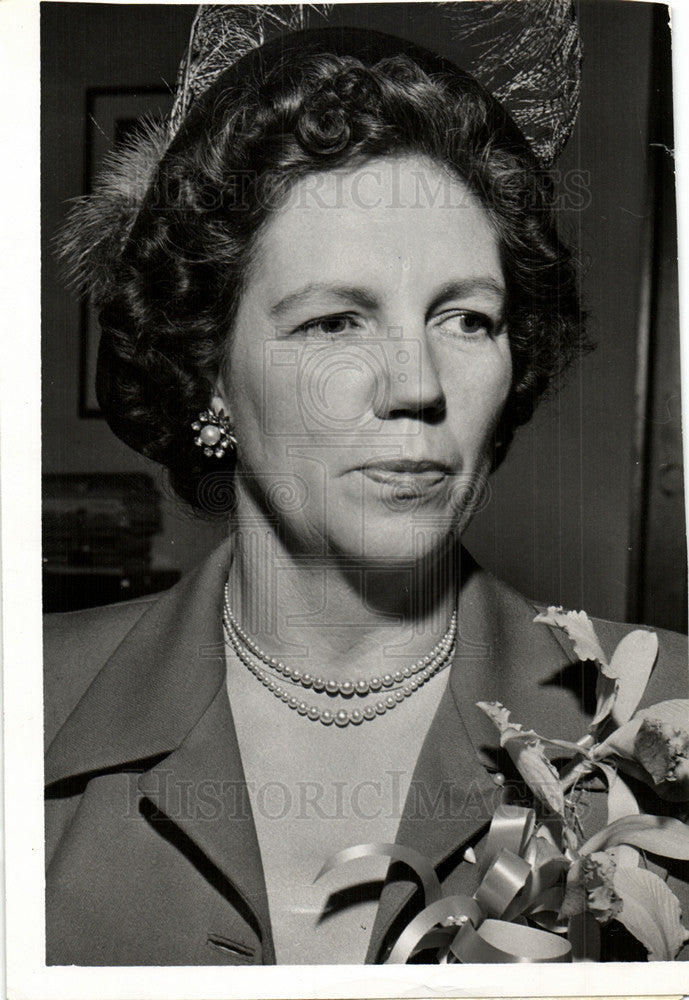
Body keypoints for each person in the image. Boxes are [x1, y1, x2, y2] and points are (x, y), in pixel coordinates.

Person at [45, 2, 688, 967]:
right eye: (335, 323)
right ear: (209, 372)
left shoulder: (670, 718)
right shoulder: (32, 701)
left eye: (466, 318)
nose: (418, 386)